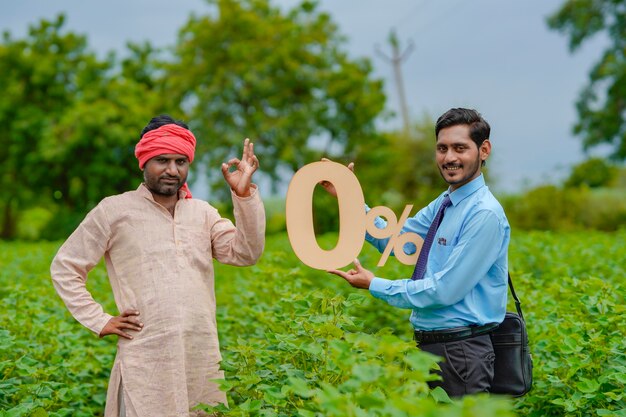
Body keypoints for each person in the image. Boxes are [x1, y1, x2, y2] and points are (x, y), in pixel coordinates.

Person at [50, 115, 266, 416]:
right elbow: (65, 267)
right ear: (144, 162)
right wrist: (99, 320)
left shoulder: (202, 213)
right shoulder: (115, 210)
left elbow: (246, 253)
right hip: (146, 360)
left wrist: (243, 195)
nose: (172, 170)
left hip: (199, 357)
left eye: (181, 161)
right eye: (162, 160)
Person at [326, 108, 510, 397]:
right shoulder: (445, 202)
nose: (449, 157)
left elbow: (444, 291)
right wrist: (350, 199)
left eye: (460, 148)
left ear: (483, 149)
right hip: (430, 347)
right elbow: (400, 242)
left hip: (461, 353)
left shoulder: (483, 214)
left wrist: (374, 284)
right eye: (442, 148)